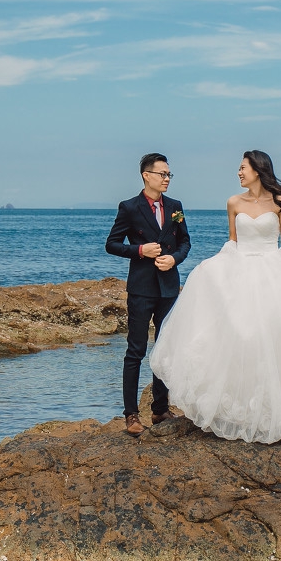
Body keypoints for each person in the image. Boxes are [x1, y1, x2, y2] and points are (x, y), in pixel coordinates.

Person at [149, 150, 281, 444]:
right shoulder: (234, 202)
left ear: (258, 170)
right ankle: (239, 411)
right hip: (241, 269)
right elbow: (233, 241)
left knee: (273, 339)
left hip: (273, 272)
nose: (239, 172)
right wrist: (213, 268)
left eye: (243, 167)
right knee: (240, 337)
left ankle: (277, 412)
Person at [105, 152, 192, 436]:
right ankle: (131, 415)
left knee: (165, 349)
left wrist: (175, 259)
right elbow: (112, 244)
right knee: (136, 351)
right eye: (162, 174)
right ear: (146, 175)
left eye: (169, 175)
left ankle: (159, 409)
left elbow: (185, 242)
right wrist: (140, 250)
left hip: (169, 287)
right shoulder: (129, 207)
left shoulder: (176, 206)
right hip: (141, 288)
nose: (167, 179)